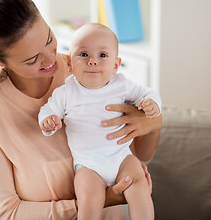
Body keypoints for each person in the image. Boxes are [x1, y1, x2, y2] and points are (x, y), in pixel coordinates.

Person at [0, 0, 162, 220]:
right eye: (32, 59)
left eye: (49, 39)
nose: (51, 60)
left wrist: (153, 122)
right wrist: (99, 200)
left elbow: (140, 156)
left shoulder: (89, 67)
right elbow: (5, 213)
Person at [38, 23, 160, 220]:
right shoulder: (66, 92)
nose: (93, 61)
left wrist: (151, 103)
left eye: (102, 55)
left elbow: (147, 92)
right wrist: (48, 121)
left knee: (139, 185)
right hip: (88, 165)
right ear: (69, 62)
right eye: (84, 55)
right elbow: (48, 110)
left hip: (121, 158)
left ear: (115, 65)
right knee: (88, 198)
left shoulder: (122, 85)